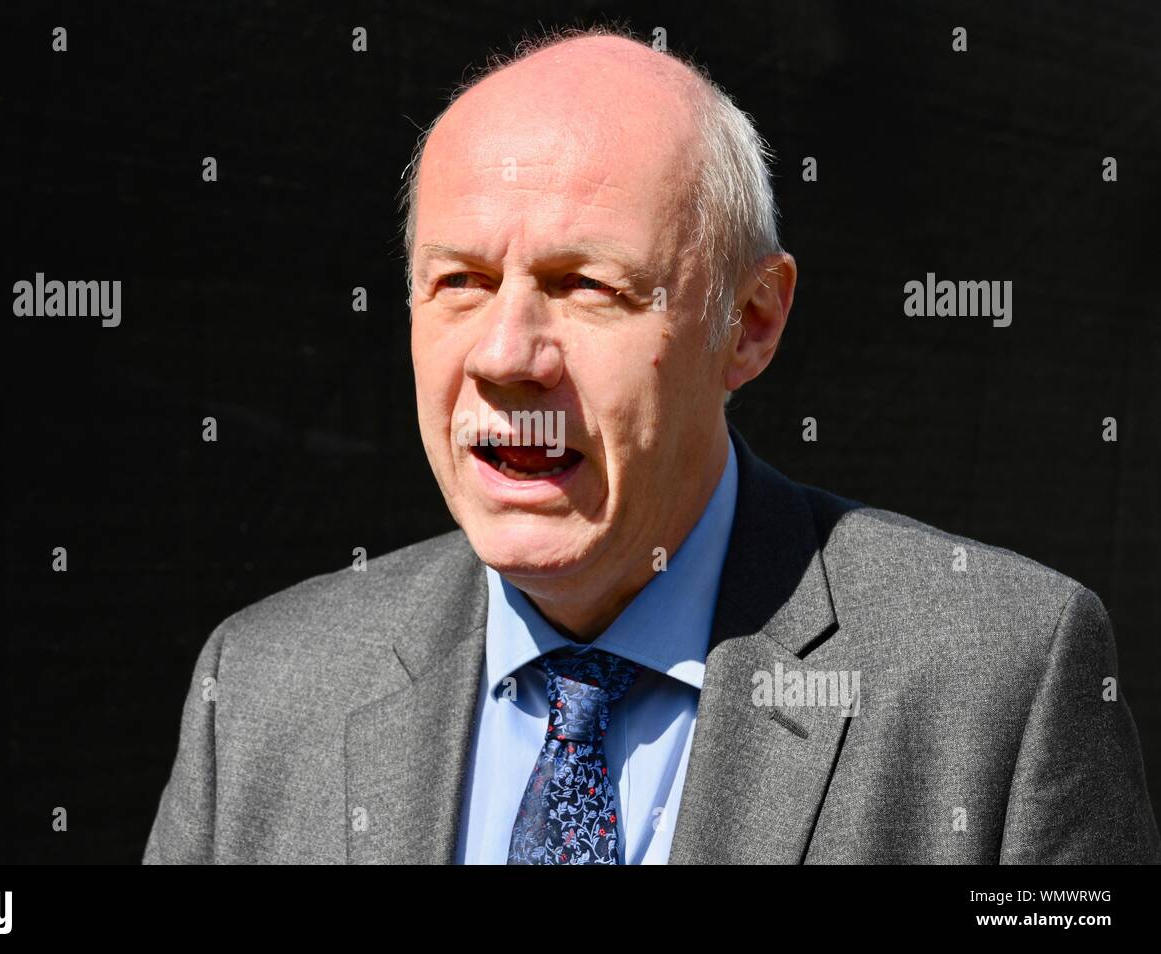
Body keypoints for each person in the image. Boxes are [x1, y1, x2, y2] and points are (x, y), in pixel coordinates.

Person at [143, 26, 1159, 864]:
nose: (506, 354)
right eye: (457, 282)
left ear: (750, 322)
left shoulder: (998, 683)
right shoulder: (265, 691)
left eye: (587, 285)